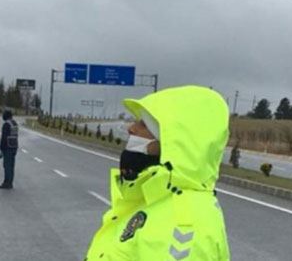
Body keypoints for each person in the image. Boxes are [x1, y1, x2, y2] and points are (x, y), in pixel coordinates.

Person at [85, 85, 230, 260]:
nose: (131, 128)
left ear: (172, 144)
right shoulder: (155, 197)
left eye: (144, 124)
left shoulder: (182, 227)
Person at [0, 109, 19, 189]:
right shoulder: (14, 123)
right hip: (14, 146)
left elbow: (4, 138)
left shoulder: (6, 124)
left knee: (7, 166)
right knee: (12, 166)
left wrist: (1, 149)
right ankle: (10, 182)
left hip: (7, 147)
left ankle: (7, 183)